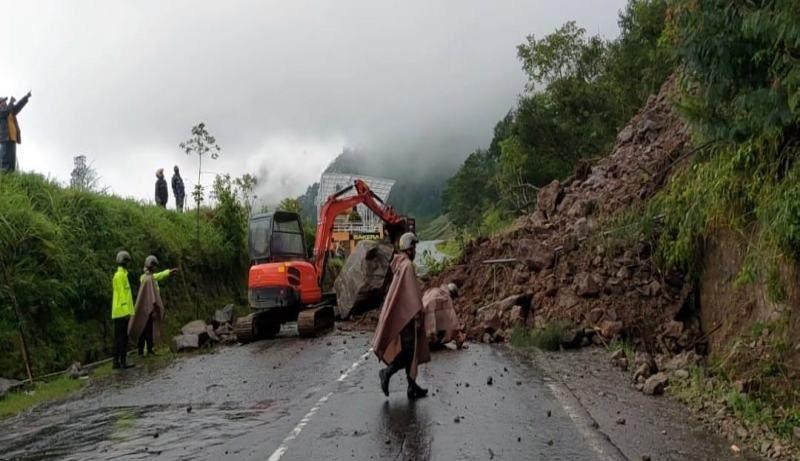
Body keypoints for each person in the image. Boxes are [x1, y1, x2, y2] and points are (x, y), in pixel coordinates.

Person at [372, 232, 430, 400]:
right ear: (409, 248)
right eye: (414, 247)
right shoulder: (407, 266)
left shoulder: (400, 265)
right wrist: (417, 314)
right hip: (407, 317)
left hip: (403, 315)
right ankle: (387, 373)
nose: (415, 250)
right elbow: (411, 295)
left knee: (410, 350)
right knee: (409, 351)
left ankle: (412, 386)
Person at [129, 255, 177, 356]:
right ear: (151, 266)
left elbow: (157, 276)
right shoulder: (146, 278)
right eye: (154, 266)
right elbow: (158, 276)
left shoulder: (150, 277)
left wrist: (168, 272)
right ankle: (144, 350)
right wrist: (168, 272)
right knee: (145, 329)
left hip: (149, 307)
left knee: (148, 328)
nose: (155, 268)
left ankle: (147, 350)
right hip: (146, 307)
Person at [111, 251, 136, 369]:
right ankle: (123, 361)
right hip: (122, 311)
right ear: (124, 262)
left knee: (118, 338)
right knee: (123, 338)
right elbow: (122, 294)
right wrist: (126, 310)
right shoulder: (120, 276)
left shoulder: (121, 275)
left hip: (118, 311)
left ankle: (116, 362)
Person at [422, 282, 466, 349]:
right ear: (452, 294)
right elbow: (453, 321)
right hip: (430, 325)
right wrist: (459, 337)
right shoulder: (446, 298)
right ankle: (433, 342)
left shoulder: (433, 291)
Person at [0, 91, 31, 173]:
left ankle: (11, 174)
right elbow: (6, 112)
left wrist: (26, 97)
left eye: (5, 101)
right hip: (5, 138)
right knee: (5, 159)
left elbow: (17, 107)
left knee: (11, 159)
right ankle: (4, 175)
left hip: (12, 138)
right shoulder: (2, 112)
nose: (5, 102)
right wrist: (11, 102)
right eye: (3, 101)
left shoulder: (9, 110)